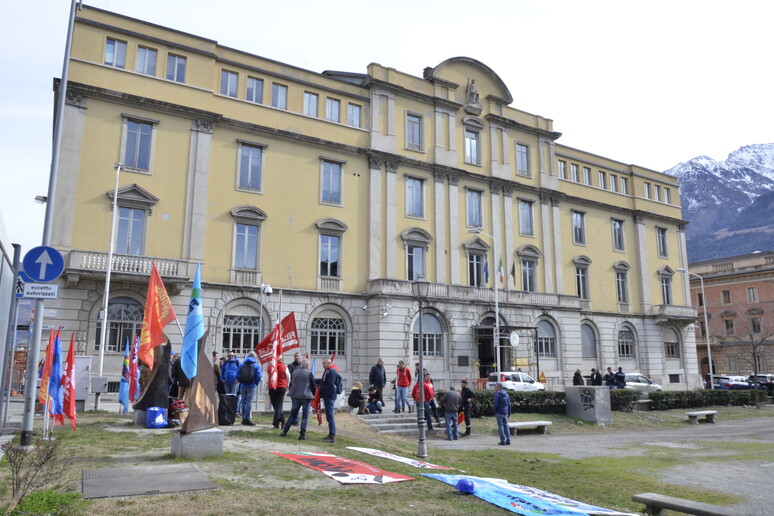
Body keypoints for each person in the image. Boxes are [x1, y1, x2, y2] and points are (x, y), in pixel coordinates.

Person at [281, 358, 316, 440]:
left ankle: (284, 432)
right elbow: (313, 386)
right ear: (307, 365)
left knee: (292, 415)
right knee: (305, 416)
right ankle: (302, 435)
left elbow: (291, 383)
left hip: (296, 396)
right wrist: (314, 395)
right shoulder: (309, 373)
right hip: (306, 396)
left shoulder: (295, 372)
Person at [320, 357, 342, 443]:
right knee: (329, 416)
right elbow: (324, 382)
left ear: (329, 363)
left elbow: (330, 385)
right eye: (322, 363)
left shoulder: (331, 371)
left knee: (330, 415)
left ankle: (332, 436)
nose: (323, 365)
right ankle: (330, 434)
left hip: (329, 396)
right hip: (328, 396)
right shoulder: (328, 371)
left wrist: (323, 394)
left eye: (324, 363)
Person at [238, 351, 262, 425]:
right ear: (254, 357)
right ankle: (247, 418)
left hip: (243, 385)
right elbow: (259, 376)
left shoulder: (242, 364)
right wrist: (256, 383)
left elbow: (238, 373)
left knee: (243, 402)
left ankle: (243, 418)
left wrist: (240, 381)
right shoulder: (256, 365)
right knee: (249, 402)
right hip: (252, 385)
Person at [268, 355, 290, 428]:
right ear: (281, 360)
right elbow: (288, 377)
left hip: (272, 387)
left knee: (276, 405)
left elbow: (268, 374)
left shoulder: (270, 367)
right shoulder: (284, 367)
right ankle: (281, 420)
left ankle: (276, 423)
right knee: (278, 406)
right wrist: (287, 385)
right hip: (281, 387)